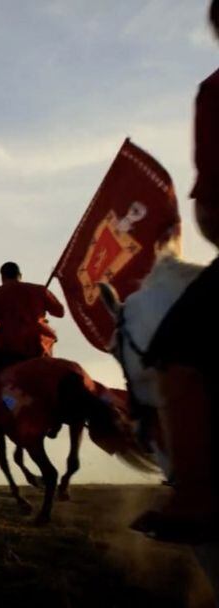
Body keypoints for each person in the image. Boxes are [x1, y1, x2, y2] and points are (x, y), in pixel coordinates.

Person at [132, 1, 219, 543]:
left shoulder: (214, 93)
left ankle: (195, 496)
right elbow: (54, 314)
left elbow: (212, 205)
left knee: (176, 351)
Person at [0, 262, 65, 429]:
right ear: (20, 275)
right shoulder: (39, 290)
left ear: (2, 277)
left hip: (10, 347)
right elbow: (60, 311)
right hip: (41, 347)